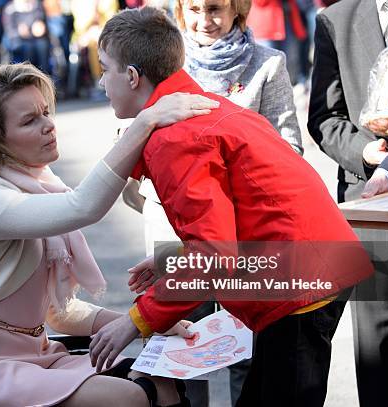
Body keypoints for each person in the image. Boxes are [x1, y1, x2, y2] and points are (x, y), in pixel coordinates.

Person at [87, 7, 373, 406]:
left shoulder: (174, 137)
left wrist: (135, 322)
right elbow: (230, 218)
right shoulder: (196, 110)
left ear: (132, 76)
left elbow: (215, 255)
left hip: (299, 279)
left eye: (106, 70)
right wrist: (177, 259)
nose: (102, 82)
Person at [0, 62, 219, 406]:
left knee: (163, 381)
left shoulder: (38, 184)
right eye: (30, 121)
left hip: (35, 354)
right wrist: (146, 122)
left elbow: (58, 312)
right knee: (133, 396)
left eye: (46, 112)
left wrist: (141, 322)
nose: (49, 126)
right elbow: (83, 207)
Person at [121, 1, 302, 404]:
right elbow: (132, 140)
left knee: (246, 340)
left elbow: (287, 147)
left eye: (216, 9)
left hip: (246, 230)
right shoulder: (163, 58)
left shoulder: (267, 63)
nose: (205, 21)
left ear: (237, 10)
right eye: (195, 9)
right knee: (184, 337)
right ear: (181, 11)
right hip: (175, 220)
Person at [307, 1, 388, 405]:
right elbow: (325, 118)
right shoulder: (337, 20)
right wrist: (368, 152)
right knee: (380, 354)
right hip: (373, 210)